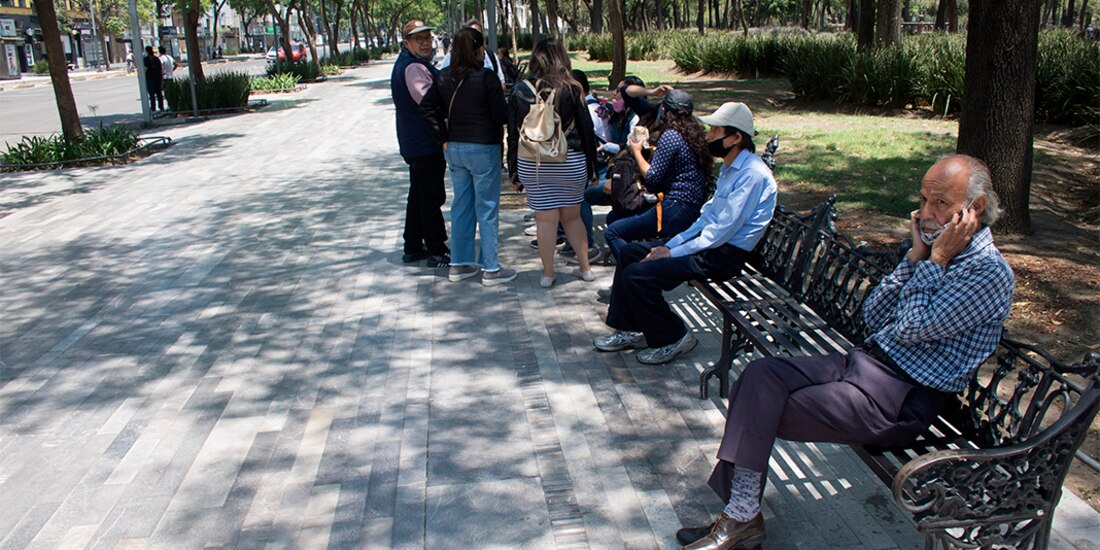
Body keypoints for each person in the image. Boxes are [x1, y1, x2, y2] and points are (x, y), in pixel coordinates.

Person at [675, 154, 1015, 550]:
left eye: (940, 203)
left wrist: (934, 260)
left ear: (975, 208)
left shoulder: (987, 273)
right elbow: (874, 314)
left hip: (900, 399)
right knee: (758, 376)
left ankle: (740, 517)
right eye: (923, 200)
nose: (925, 214)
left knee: (760, 408)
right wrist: (915, 258)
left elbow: (909, 328)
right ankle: (741, 515)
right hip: (864, 366)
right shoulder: (930, 253)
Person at [594, 102, 776, 365]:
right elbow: (706, 219)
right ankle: (631, 329)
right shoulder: (732, 167)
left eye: (715, 131)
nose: (708, 136)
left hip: (723, 255)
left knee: (638, 274)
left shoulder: (752, 175)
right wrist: (672, 245)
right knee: (630, 252)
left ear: (735, 138)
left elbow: (721, 231)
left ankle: (674, 336)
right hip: (709, 245)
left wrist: (671, 252)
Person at [420, 28, 516, 287]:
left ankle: (459, 263)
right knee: (487, 207)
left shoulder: (443, 77)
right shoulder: (486, 78)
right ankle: (491, 268)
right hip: (484, 148)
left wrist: (442, 137)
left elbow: (427, 107)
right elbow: (500, 115)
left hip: (455, 149)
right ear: (479, 50)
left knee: (461, 206)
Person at [506, 37, 599, 289]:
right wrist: (592, 167)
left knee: (545, 220)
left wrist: (513, 170)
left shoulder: (520, 90)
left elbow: (513, 134)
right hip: (570, 160)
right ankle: (585, 269)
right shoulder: (572, 87)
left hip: (534, 163)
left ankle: (548, 274)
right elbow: (587, 130)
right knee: (572, 218)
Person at [602, 89, 711, 264]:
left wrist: (636, 151)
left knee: (613, 232)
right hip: (688, 206)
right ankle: (635, 268)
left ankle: (635, 271)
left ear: (665, 111)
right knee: (614, 218)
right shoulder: (694, 134)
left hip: (674, 208)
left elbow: (652, 176)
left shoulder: (671, 135)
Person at [390, 20, 451, 267]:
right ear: (407, 43)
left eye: (427, 38)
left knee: (418, 195)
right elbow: (428, 102)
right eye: (419, 39)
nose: (425, 43)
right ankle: (437, 248)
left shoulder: (411, 63)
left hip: (416, 142)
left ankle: (413, 245)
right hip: (424, 143)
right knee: (431, 196)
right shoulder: (413, 68)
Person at [440, 20, 506, 88]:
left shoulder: (491, 56)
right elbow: (441, 83)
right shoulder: (450, 58)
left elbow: (501, 83)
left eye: (479, 35)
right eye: (472, 37)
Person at [143, 46, 164, 112]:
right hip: (158, 78)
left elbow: (145, 69)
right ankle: (161, 107)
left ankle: (153, 108)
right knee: (159, 93)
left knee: (152, 94)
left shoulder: (146, 59)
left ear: (147, 51)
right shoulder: (157, 59)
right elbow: (160, 69)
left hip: (150, 79)